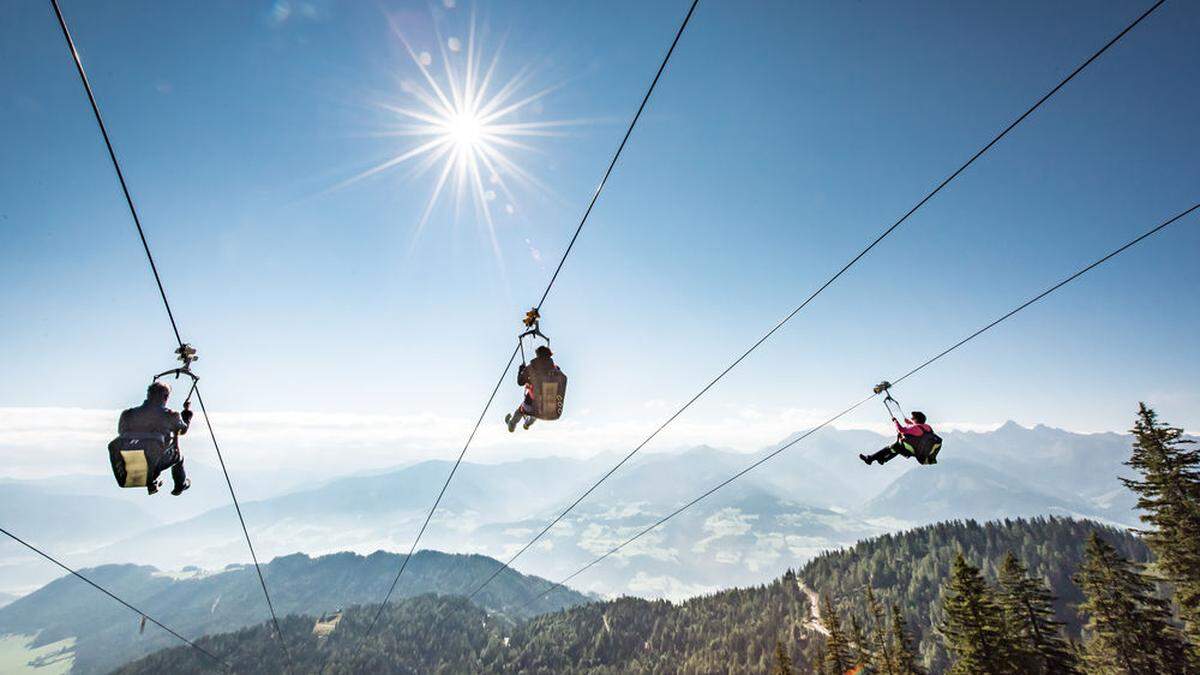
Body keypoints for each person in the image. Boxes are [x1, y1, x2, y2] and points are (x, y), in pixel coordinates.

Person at [115, 381, 193, 494]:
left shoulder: (127, 414)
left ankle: (151, 479)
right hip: (156, 461)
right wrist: (187, 414)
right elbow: (183, 430)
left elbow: (121, 432)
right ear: (165, 397)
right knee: (178, 457)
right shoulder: (171, 415)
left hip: (130, 460)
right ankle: (180, 485)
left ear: (148, 395)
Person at [506, 345, 555, 432]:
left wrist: (521, 370)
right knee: (536, 409)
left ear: (538, 356)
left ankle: (512, 424)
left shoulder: (531, 368)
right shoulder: (555, 369)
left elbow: (520, 382)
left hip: (530, 405)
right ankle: (527, 424)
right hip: (546, 407)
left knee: (521, 410)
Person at [860, 411, 935, 465]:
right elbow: (919, 431)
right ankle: (882, 460)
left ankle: (869, 459)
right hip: (921, 450)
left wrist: (895, 421)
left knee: (891, 448)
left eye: (913, 418)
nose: (911, 419)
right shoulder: (927, 427)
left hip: (913, 450)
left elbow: (901, 429)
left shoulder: (915, 427)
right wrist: (910, 423)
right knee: (898, 447)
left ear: (916, 419)